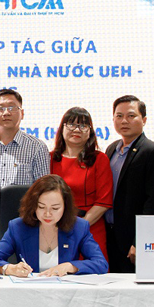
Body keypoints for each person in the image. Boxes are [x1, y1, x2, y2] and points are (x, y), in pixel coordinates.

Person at [0, 175, 108, 276]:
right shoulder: (18, 227)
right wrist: (10, 269)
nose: (47, 214)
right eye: (41, 207)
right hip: (29, 291)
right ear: (33, 205)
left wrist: (70, 266)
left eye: (55, 208)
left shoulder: (79, 227)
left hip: (65, 292)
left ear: (65, 207)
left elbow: (101, 264)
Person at [104, 95, 154, 272]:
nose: (124, 121)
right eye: (119, 116)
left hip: (131, 241)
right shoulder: (111, 149)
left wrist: (140, 241)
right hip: (108, 235)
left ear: (144, 120)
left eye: (131, 116)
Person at [0, 89, 50, 249]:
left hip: (25, 229)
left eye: (12, 107)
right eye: (1, 108)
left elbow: (44, 191)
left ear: (22, 113)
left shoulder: (37, 147)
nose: (6, 113)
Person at [49, 106, 113, 264]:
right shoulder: (50, 158)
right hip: (55, 229)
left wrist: (78, 228)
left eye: (83, 125)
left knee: (93, 273)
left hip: (90, 229)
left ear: (90, 131)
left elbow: (103, 202)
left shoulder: (100, 159)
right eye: (71, 124)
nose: (76, 129)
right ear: (62, 128)